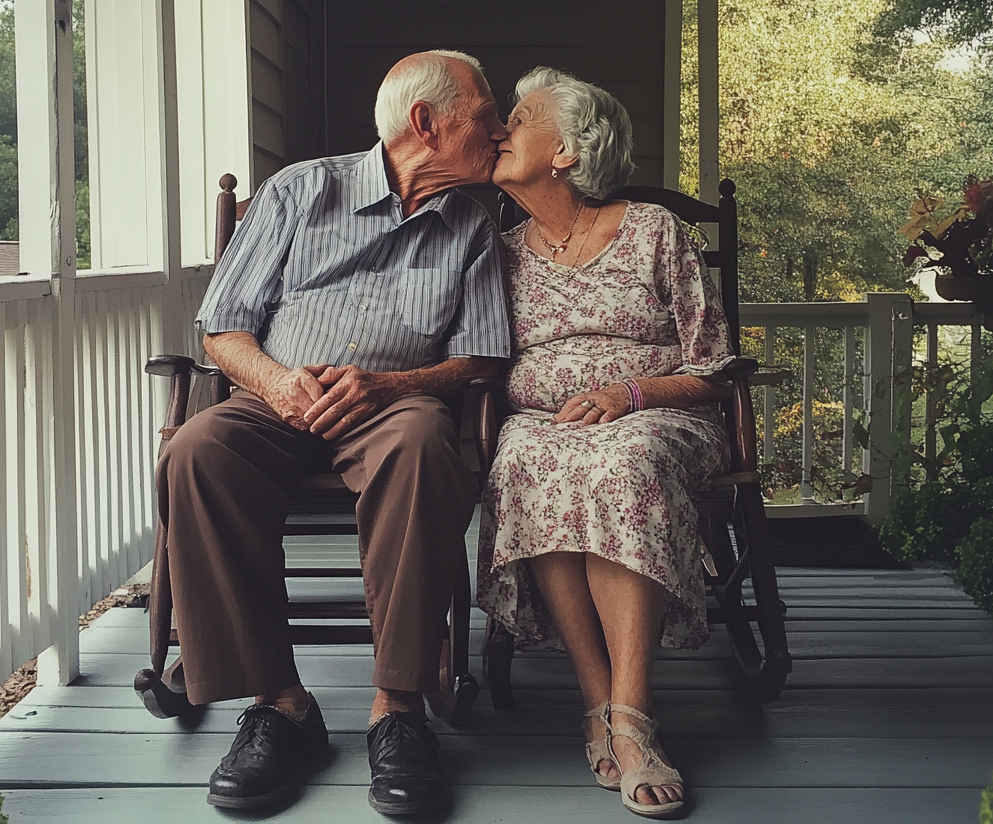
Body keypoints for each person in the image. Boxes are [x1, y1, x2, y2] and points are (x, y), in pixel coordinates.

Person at [156, 50, 510, 815]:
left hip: (395, 407)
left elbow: (479, 355)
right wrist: (281, 384)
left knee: (422, 446)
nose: (501, 128)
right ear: (427, 123)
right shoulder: (300, 191)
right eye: (487, 114)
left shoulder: (473, 223)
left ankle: (399, 709)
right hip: (277, 397)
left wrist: (391, 384)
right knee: (196, 450)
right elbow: (223, 328)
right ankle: (280, 706)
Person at [477, 67, 735, 820]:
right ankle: (600, 707)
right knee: (531, 458)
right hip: (543, 424)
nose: (499, 129)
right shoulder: (497, 251)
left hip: (655, 418)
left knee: (620, 461)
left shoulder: (654, 231)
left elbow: (715, 369)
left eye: (518, 119)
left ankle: (633, 716)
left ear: (563, 152)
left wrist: (629, 395)